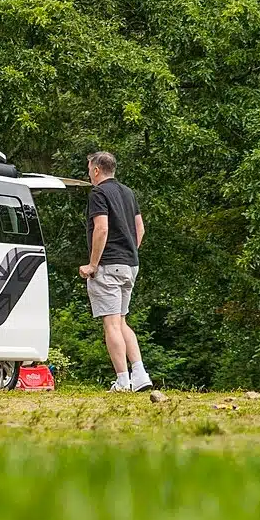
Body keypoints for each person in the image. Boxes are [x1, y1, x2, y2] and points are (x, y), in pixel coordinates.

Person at [79, 151, 153, 393]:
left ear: (97, 170)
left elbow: (101, 228)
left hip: (108, 265)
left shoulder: (99, 193)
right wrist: (129, 250)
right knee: (121, 321)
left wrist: (92, 264)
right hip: (130, 264)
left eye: (89, 168)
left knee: (111, 324)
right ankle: (140, 374)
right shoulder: (127, 192)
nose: (88, 173)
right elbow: (139, 228)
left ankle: (123, 381)